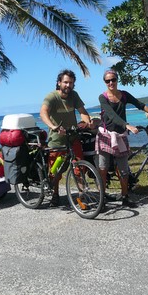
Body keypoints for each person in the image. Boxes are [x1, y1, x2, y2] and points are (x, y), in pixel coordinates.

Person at [96, 69, 148, 208]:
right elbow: (111, 115)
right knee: (103, 168)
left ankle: (125, 198)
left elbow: (141, 105)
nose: (111, 82)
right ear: (105, 82)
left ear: (117, 80)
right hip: (105, 135)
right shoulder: (103, 97)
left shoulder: (124, 95)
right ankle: (101, 200)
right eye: (108, 81)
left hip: (121, 135)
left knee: (124, 170)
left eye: (113, 79)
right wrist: (127, 125)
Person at [40, 69, 94, 207]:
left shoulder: (74, 95)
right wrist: (53, 126)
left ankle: (83, 195)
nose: (68, 85)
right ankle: (55, 195)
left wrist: (87, 121)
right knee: (56, 171)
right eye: (65, 82)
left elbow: (82, 111)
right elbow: (43, 112)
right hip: (57, 139)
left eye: (71, 83)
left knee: (79, 167)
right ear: (59, 83)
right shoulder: (52, 97)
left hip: (72, 137)